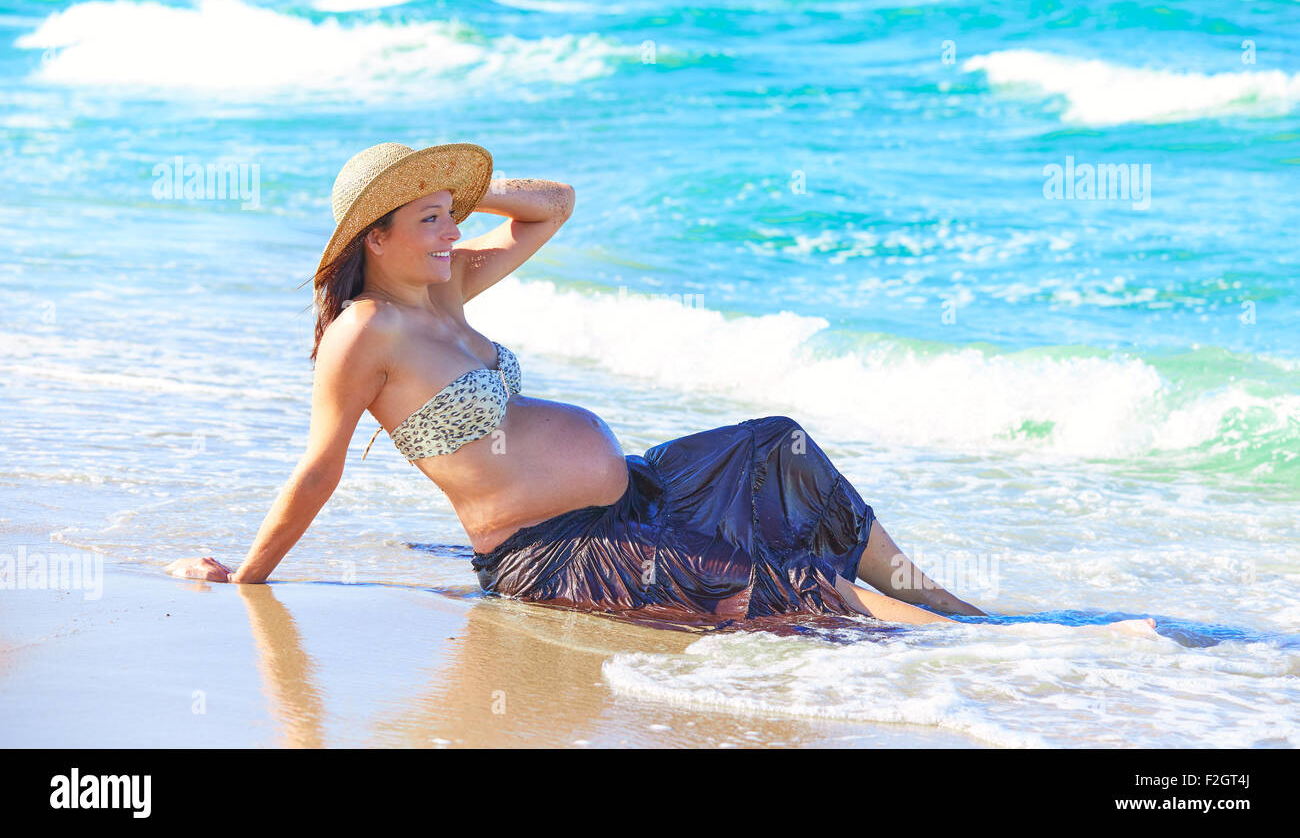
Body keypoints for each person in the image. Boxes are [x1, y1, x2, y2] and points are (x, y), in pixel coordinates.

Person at [167, 142, 1156, 635]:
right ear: (372, 238)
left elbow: (551, 208)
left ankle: (954, 610)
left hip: (633, 489)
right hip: (555, 552)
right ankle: (997, 661)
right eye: (424, 219)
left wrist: (466, 189)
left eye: (445, 215)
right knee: (802, 593)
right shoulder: (364, 334)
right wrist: (250, 576)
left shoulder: (451, 285)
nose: (447, 232)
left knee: (780, 446)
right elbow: (318, 466)